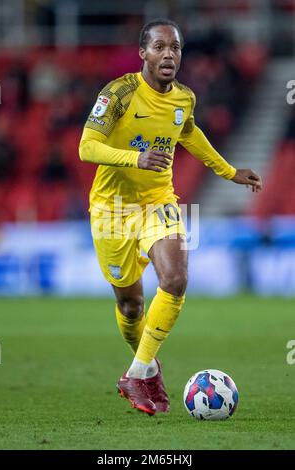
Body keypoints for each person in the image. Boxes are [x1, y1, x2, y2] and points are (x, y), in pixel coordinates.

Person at [79, 19, 262, 416]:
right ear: (143, 52)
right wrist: (136, 157)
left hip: (158, 201)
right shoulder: (120, 93)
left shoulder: (184, 99)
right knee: (130, 306)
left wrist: (229, 171)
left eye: (175, 48)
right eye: (160, 47)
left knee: (175, 279)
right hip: (111, 210)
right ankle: (148, 367)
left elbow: (190, 133)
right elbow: (86, 147)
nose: (169, 55)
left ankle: (136, 371)